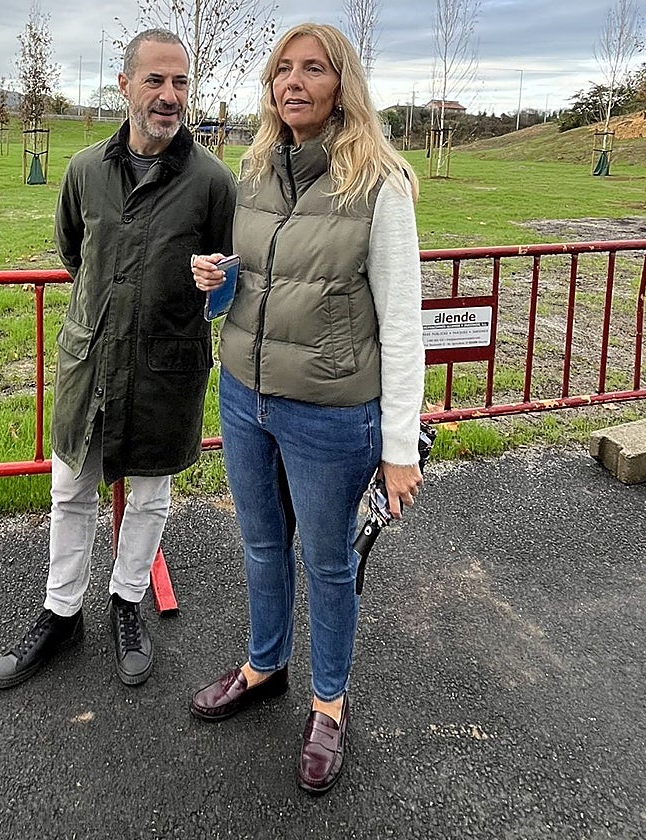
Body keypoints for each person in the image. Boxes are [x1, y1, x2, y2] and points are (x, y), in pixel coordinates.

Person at [188, 22, 426, 795]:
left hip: (330, 410)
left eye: (312, 69)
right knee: (261, 547)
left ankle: (329, 704)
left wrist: (399, 447)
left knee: (326, 565)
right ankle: (265, 665)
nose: (293, 81)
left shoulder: (379, 184)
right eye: (282, 70)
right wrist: (210, 280)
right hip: (246, 397)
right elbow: (246, 287)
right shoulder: (253, 171)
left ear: (340, 85)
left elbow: (401, 323)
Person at [0, 29, 236, 690]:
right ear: (124, 85)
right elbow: (75, 253)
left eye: (180, 82)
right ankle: (61, 612)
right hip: (91, 359)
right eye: (154, 80)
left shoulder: (212, 182)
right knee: (70, 488)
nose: (168, 96)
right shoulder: (83, 170)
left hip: (165, 365)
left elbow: (227, 271)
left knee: (151, 491)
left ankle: (127, 603)